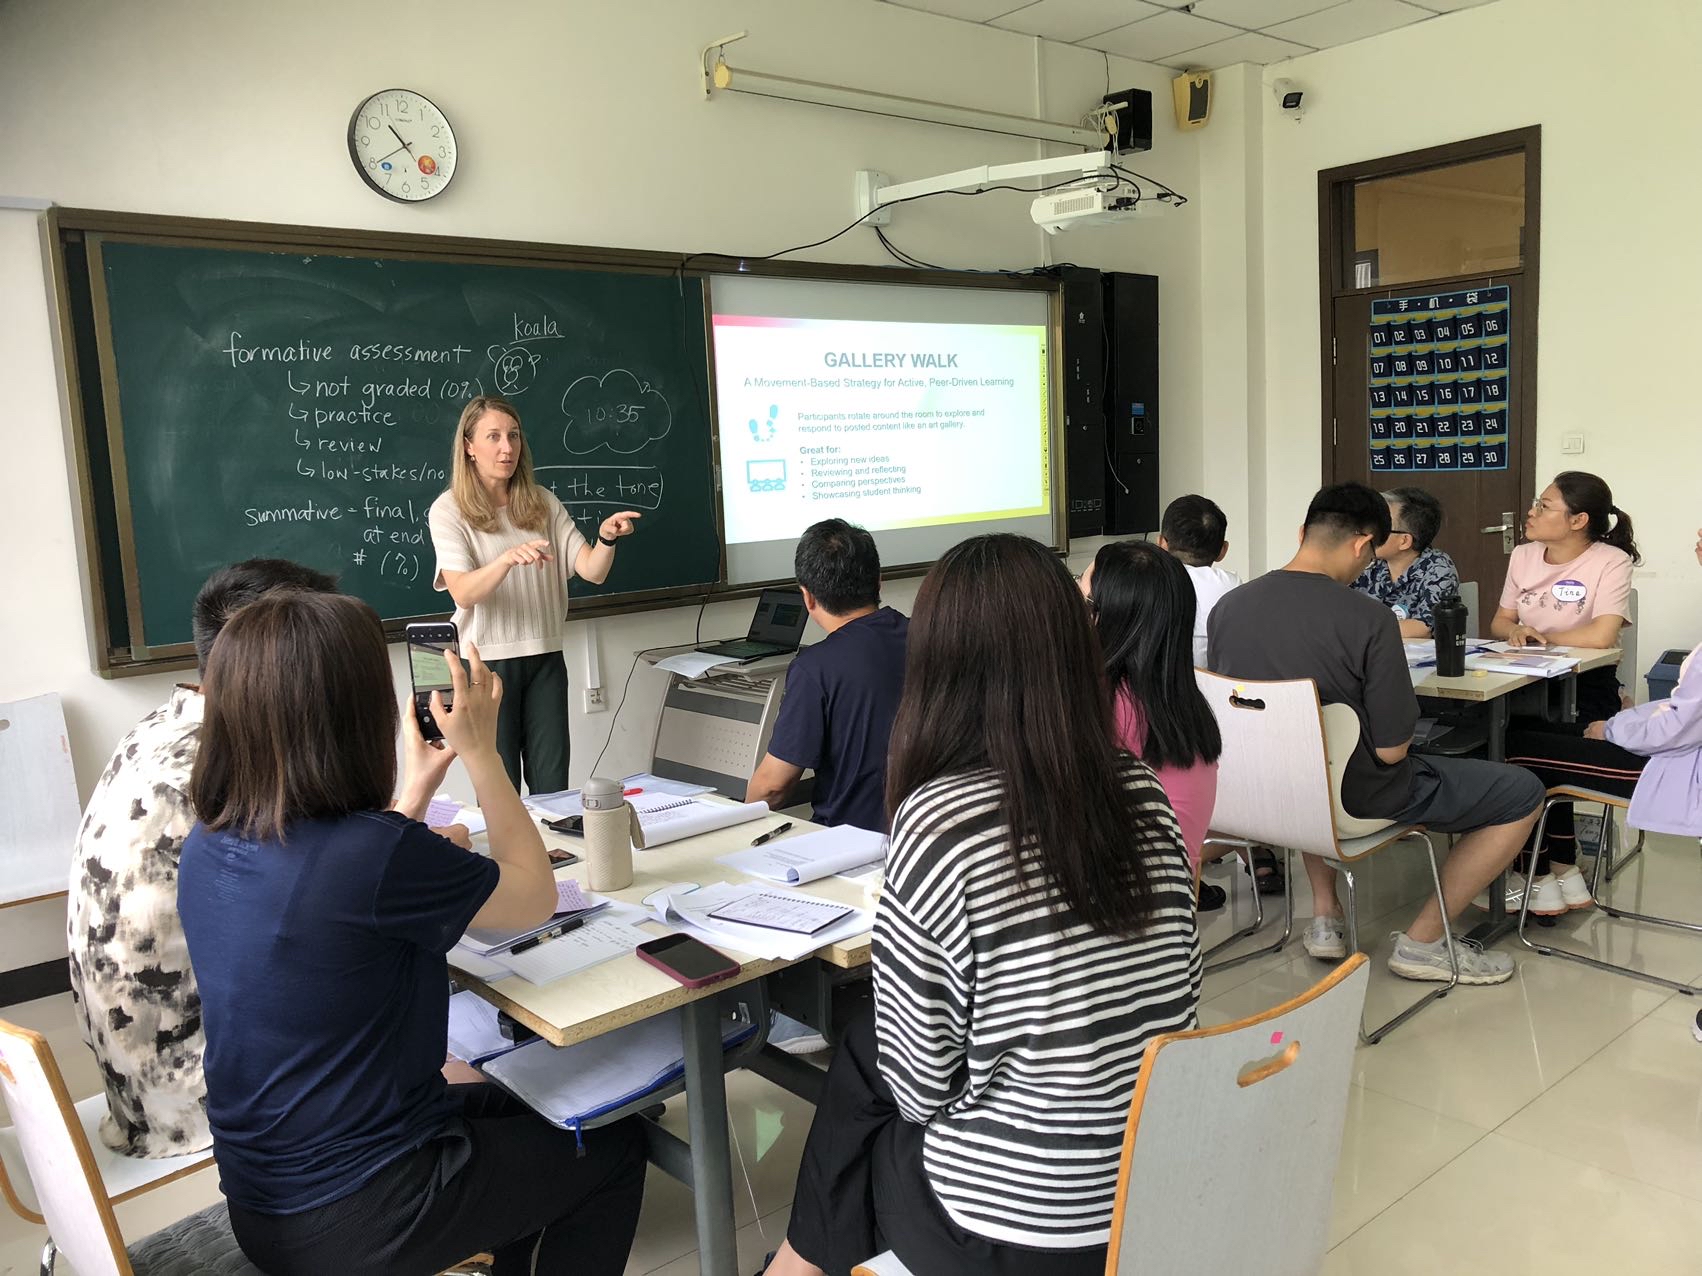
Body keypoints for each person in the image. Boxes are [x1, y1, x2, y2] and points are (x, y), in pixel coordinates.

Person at [763, 534, 1199, 1276]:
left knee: (866, 1117)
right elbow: (1180, 1000)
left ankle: (794, 1267)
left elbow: (920, 1086)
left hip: (1014, 1233)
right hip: (1142, 1193)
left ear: (939, 662)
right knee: (867, 1072)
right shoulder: (1140, 786)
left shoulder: (939, 821)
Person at [178, 594, 645, 1275]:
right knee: (615, 1149)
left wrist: (419, 786)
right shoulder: (373, 857)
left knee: (539, 1101)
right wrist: (481, 754)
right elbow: (535, 896)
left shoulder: (211, 839)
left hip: (266, 1193)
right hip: (362, 1206)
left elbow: (342, 881)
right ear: (353, 716)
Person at [1209, 482, 1543, 986]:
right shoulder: (1368, 619)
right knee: (1521, 791)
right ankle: (1424, 943)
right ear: (1364, 545)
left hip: (1257, 796)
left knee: (1303, 756)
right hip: (1351, 798)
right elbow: (1391, 752)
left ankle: (1327, 915)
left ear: (1303, 532)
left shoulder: (1229, 608)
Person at [66, 560, 343, 1158]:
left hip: (127, 1080)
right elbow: (331, 900)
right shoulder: (222, 766)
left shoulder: (159, 728)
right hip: (190, 1095)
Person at [429, 395, 641, 794]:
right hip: (486, 665)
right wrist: (506, 560)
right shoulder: (449, 510)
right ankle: (508, 859)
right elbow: (463, 591)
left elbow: (591, 571)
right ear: (469, 447)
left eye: (513, 436)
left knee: (553, 785)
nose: (506, 447)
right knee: (499, 785)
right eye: (493, 437)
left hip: (545, 657)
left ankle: (555, 857)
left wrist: (606, 538)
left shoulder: (541, 502)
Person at [1492, 471, 1640, 915]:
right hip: (1527, 677)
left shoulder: (1610, 560)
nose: (1531, 512)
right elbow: (1500, 622)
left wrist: (1546, 641)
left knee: (1528, 747)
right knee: (1511, 728)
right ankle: (1560, 869)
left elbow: (1602, 636)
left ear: (1578, 520)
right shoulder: (1523, 555)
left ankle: (1536, 872)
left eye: (1544, 505)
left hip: (1586, 684)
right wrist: (1517, 629)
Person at [746, 519, 908, 833]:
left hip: (847, 845)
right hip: (926, 836)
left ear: (807, 597)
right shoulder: (932, 637)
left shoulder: (815, 667)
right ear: (878, 582)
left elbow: (773, 787)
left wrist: (737, 826)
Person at [1081, 539, 1220, 878]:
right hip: (1176, 897)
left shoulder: (1109, 707)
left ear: (1104, 618)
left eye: (1082, 599)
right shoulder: (1179, 702)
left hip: (1122, 899)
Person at [1353, 486, 1460, 639]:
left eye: (1380, 527)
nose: (1369, 533)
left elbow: (1423, 627)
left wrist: (1358, 630)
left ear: (1404, 541)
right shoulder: (1369, 563)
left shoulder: (1438, 568)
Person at [1157, 493, 1240, 667]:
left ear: (1161, 543)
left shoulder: (1143, 582)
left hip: (1150, 691)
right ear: (1222, 550)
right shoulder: (1234, 588)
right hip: (1217, 692)